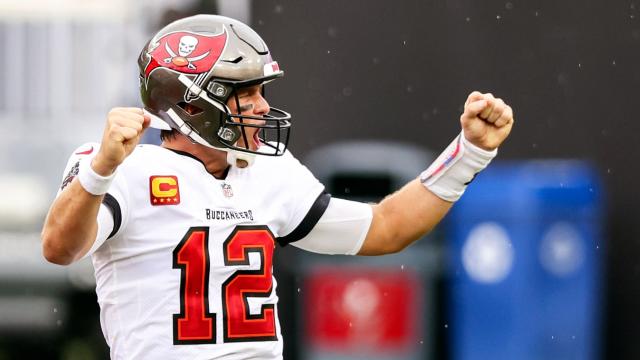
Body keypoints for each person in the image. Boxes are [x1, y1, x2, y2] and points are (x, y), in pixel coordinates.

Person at [41, 14, 514, 360]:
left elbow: (386, 228)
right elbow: (60, 249)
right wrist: (100, 170)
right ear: (190, 103)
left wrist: (468, 153)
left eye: (261, 91)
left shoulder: (267, 172)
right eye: (244, 92)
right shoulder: (119, 168)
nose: (262, 107)